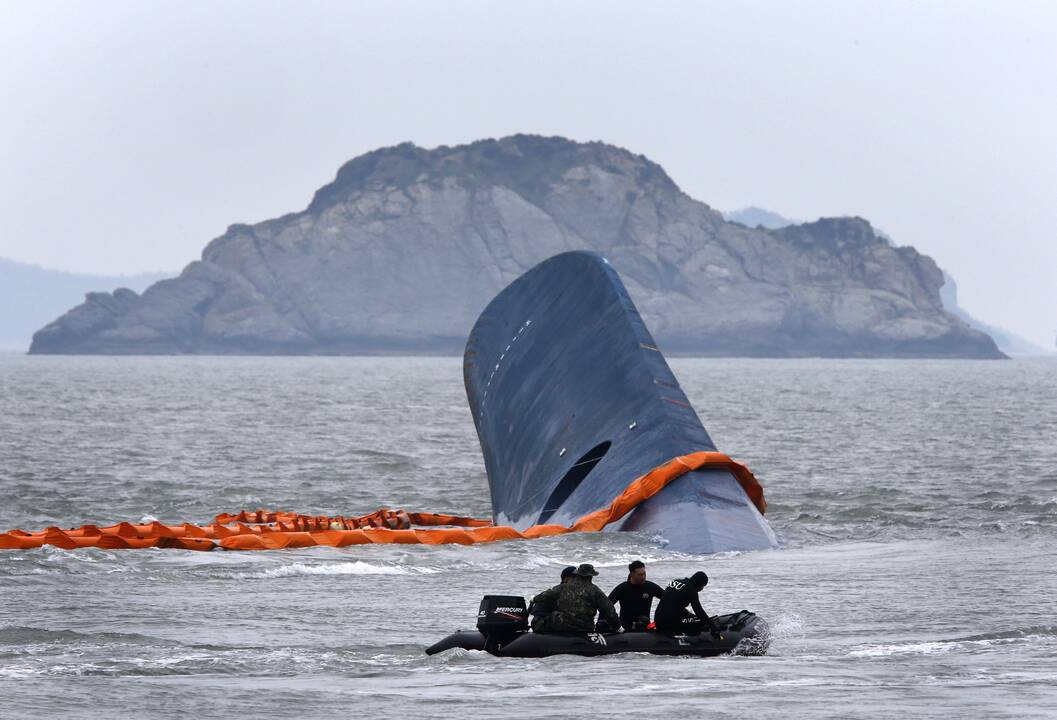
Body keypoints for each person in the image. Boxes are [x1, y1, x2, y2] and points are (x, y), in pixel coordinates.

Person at [530, 563, 621, 635]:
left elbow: (546, 595)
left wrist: (533, 599)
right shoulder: (595, 591)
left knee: (540, 621)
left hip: (562, 625)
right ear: (591, 576)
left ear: (578, 574)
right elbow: (609, 611)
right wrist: (617, 627)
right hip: (584, 628)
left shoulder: (563, 587)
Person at [653, 571, 716, 635]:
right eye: (703, 586)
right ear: (699, 583)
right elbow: (698, 611)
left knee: (693, 617)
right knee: (701, 621)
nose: (702, 589)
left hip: (658, 620)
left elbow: (672, 603)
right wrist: (712, 626)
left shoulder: (675, 581)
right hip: (670, 623)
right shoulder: (691, 589)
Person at [608, 560, 664, 630]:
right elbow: (606, 606)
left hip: (645, 628)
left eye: (644, 574)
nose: (643, 577)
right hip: (625, 629)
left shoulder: (650, 587)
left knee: (644, 620)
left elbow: (668, 599)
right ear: (632, 574)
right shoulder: (622, 588)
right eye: (640, 575)